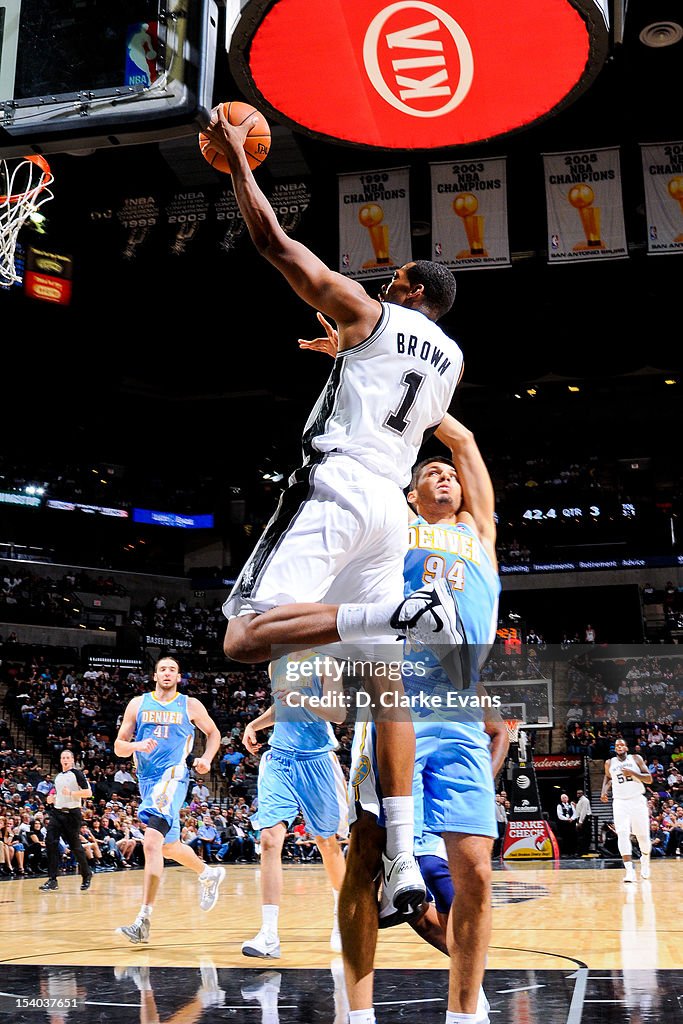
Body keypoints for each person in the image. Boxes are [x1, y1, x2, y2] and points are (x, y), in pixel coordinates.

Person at [204, 105, 465, 915]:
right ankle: (401, 865)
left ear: (413, 290)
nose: (387, 281)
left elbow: (275, 247)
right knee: (384, 687)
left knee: (243, 636)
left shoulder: (372, 312)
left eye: (398, 278)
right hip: (389, 507)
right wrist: (343, 356)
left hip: (338, 489)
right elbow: (396, 398)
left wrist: (237, 165)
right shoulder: (451, 360)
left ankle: (392, 608)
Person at [338, 408, 505, 1024]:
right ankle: (359, 1013)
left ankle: (466, 1013)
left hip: (460, 709)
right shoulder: (398, 525)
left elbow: (462, 438)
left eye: (449, 475)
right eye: (429, 472)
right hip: (395, 697)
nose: (443, 477)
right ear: (411, 492)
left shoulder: (479, 533)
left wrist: (427, 387)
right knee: (367, 852)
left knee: (478, 874)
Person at [239, 651, 349, 958]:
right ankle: (269, 935)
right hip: (279, 758)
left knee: (327, 842)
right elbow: (282, 707)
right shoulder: (277, 663)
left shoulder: (327, 662)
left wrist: (303, 700)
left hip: (317, 760)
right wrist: (254, 724)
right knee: (269, 839)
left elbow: (338, 713)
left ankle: (343, 918)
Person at [113, 655, 225, 943]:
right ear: (155, 675)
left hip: (173, 776)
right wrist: (137, 744)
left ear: (178, 677)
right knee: (169, 847)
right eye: (162, 668)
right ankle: (208, 873)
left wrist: (207, 759)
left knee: (151, 842)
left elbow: (214, 733)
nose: (167, 673)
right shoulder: (138, 704)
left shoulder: (189, 704)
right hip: (147, 781)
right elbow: (119, 747)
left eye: (172, 670)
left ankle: (143, 920)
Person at [38, 748, 93, 892]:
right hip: (57, 813)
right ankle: (52, 879)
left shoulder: (77, 774)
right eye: (63, 757)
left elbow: (88, 793)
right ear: (60, 760)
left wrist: (72, 793)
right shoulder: (58, 777)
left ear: (72, 760)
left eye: (68, 757)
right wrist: (51, 799)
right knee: (50, 842)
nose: (65, 760)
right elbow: (57, 794)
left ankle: (86, 874)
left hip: (72, 814)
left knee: (75, 846)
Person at [601, 737, 653, 883]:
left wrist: (633, 773)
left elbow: (649, 779)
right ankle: (629, 870)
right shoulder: (610, 763)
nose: (619, 746)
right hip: (619, 801)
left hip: (637, 799)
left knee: (642, 836)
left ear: (626, 748)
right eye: (617, 745)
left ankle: (645, 859)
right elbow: (607, 777)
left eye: (622, 744)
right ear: (615, 748)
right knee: (622, 834)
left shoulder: (636, 759)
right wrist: (604, 791)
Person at [575, 788, 593, 855]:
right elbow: (579, 810)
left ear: (582, 794)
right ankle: (582, 850)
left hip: (585, 819)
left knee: (584, 836)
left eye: (579, 793)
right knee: (582, 835)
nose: (578, 794)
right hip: (581, 818)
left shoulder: (584, 800)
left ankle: (584, 851)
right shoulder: (580, 801)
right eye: (577, 793)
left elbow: (583, 811)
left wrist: (580, 821)